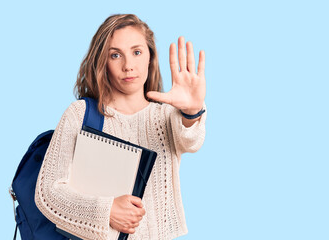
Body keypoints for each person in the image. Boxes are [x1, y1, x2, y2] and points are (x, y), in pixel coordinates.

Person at [35, 14, 206, 240]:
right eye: (115, 55)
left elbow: (191, 140)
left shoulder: (166, 116)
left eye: (137, 52)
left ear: (150, 57)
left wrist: (192, 111)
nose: (128, 66)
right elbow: (48, 194)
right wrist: (107, 211)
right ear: (103, 62)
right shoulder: (80, 114)